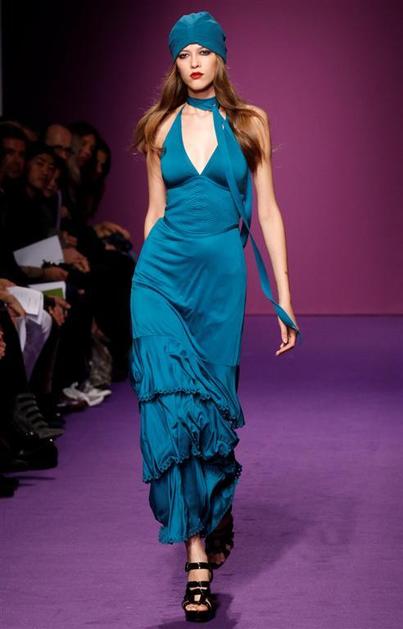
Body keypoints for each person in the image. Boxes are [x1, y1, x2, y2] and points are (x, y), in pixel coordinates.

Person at [129, 10, 301, 622]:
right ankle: (196, 558)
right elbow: (155, 211)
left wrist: (283, 295)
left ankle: (213, 508)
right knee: (172, 411)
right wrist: (141, 276)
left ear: (220, 57)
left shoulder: (250, 121)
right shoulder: (158, 126)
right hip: (161, 277)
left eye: (203, 51)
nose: (193, 63)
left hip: (222, 281)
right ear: (174, 63)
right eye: (183, 54)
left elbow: (268, 211)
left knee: (211, 410)